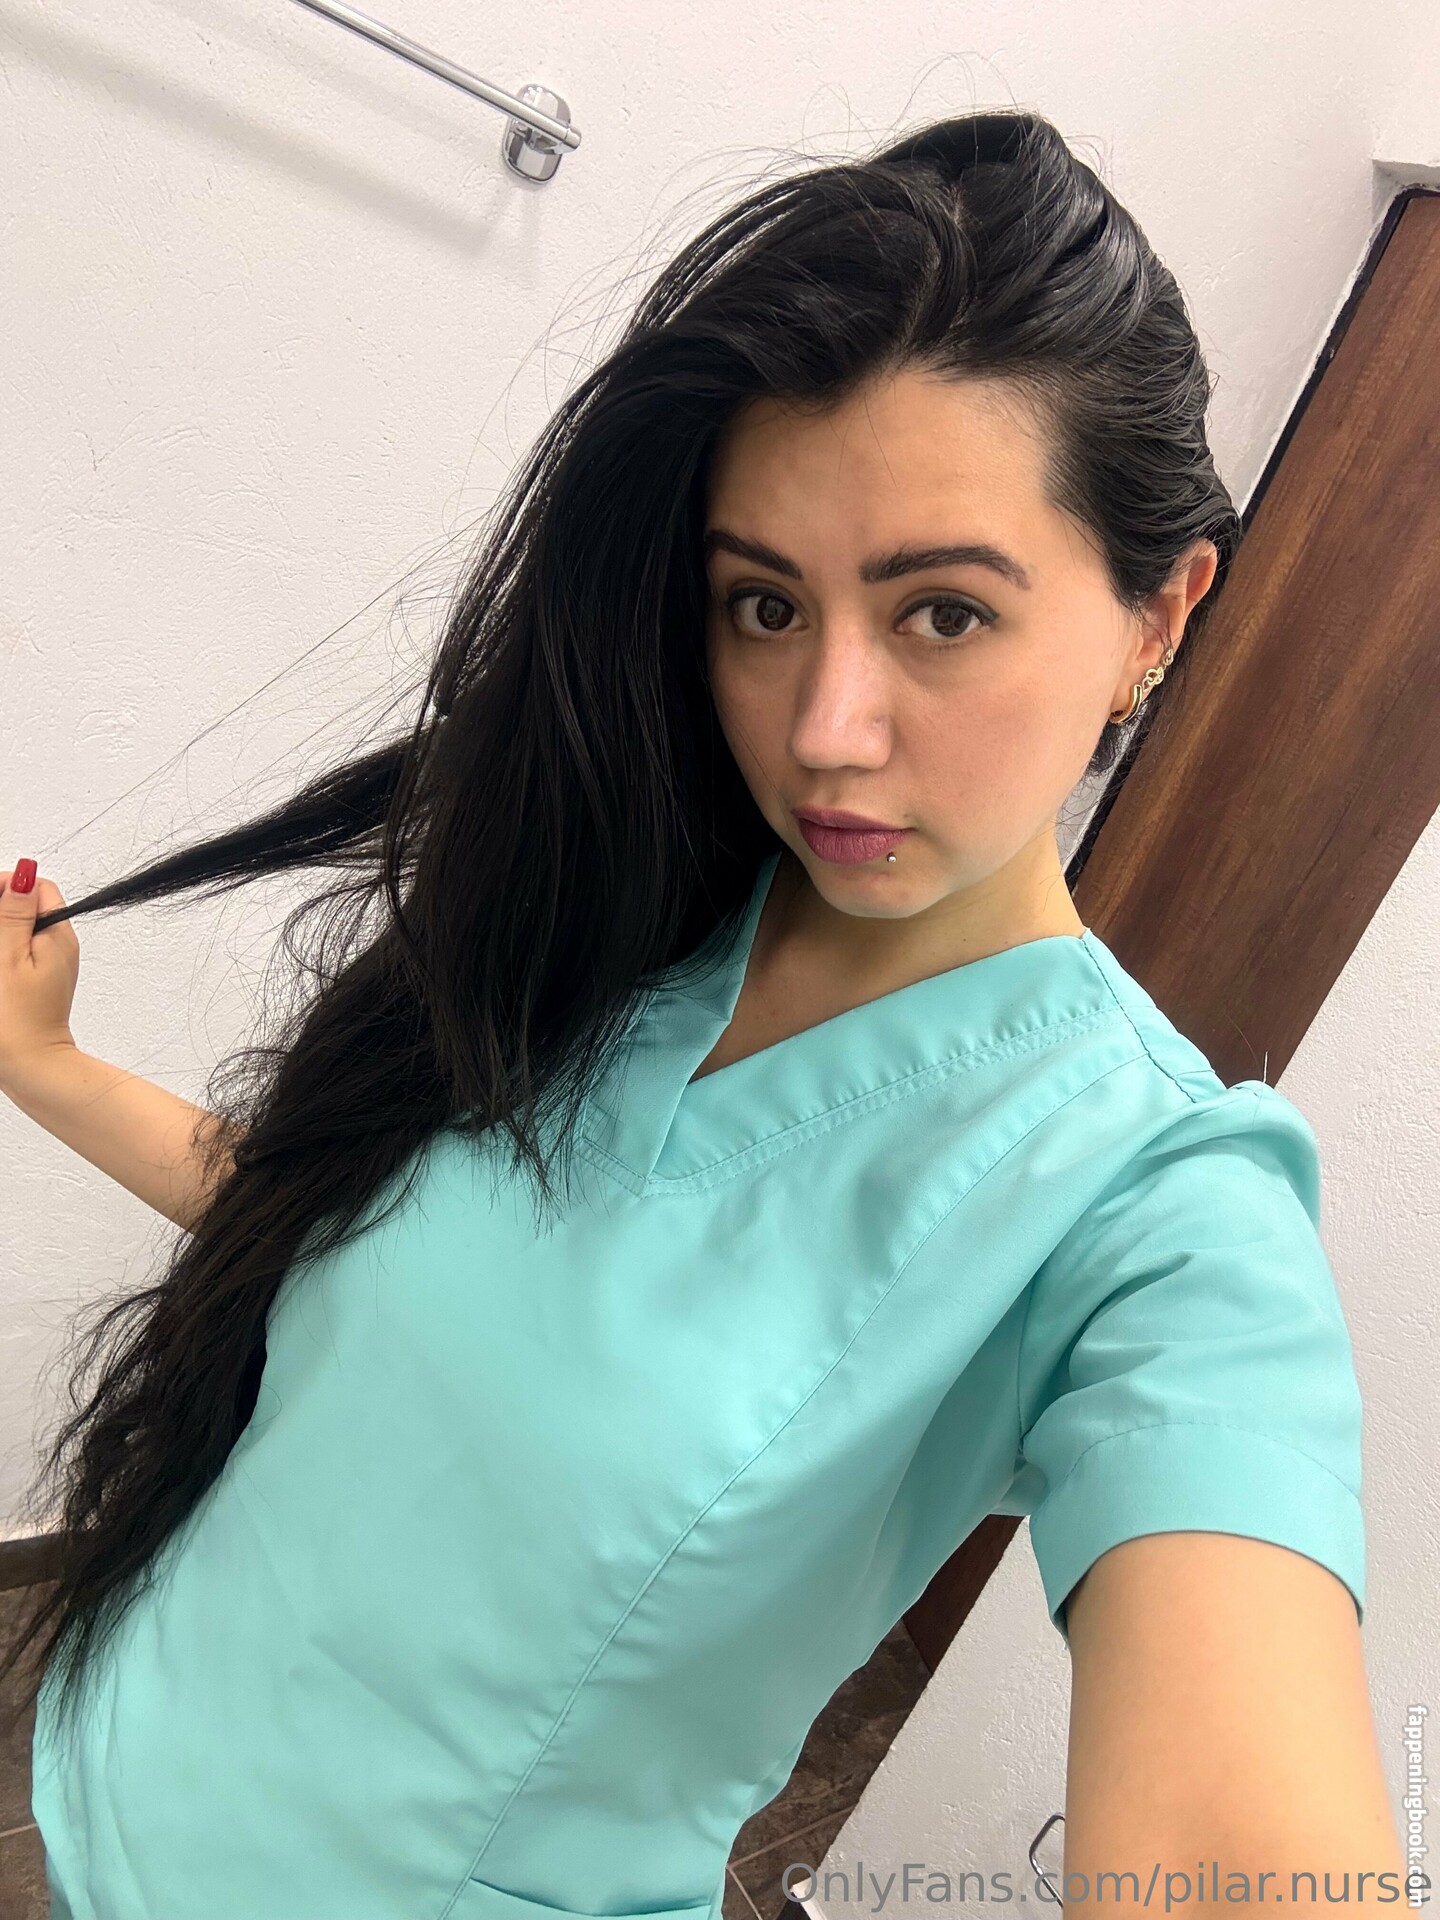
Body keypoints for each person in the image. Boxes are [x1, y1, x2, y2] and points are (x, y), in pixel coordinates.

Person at [0, 109, 1406, 1920]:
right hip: (106, 1783)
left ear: (1161, 614)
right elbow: (342, 1237)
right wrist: (45, 1066)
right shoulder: (617, 898)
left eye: (944, 615)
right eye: (764, 604)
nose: (823, 728)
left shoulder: (1155, 1214)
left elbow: (1239, 1841)